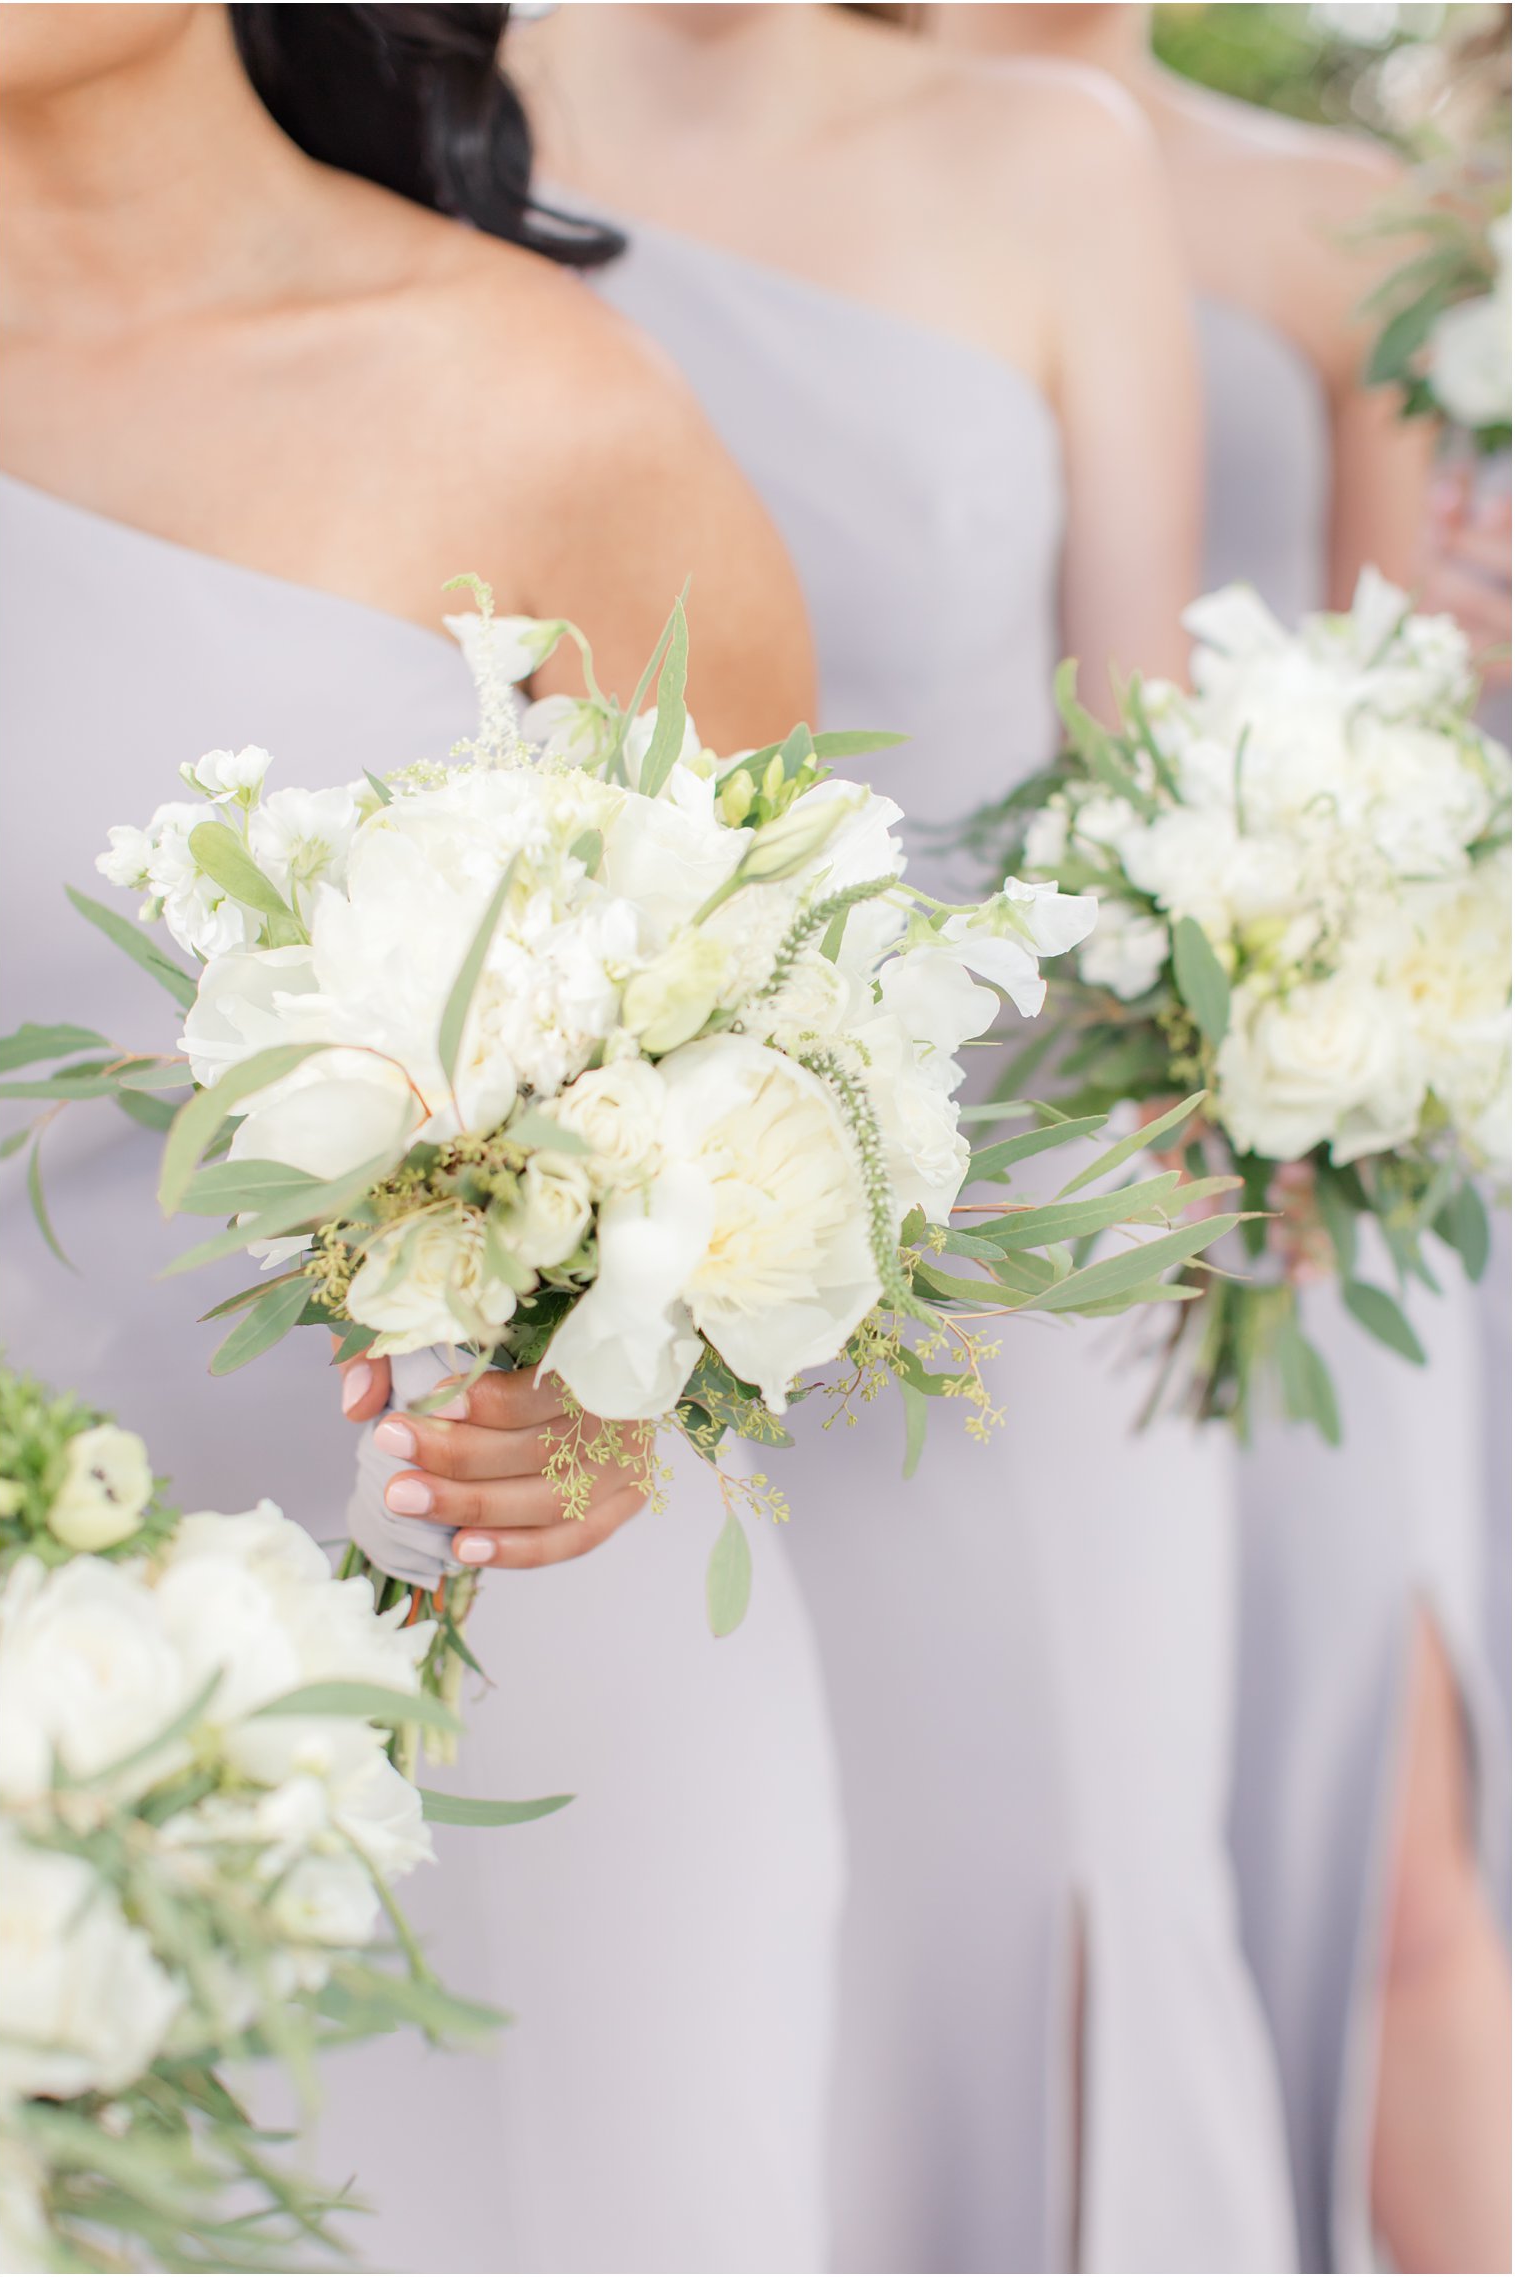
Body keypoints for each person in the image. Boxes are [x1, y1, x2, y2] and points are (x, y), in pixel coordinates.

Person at [0, 8, 846, 2270]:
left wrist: (628, 1393)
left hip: (512, 1675)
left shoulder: (533, 402)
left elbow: (818, 1086)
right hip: (43, 1729)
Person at [505, 8, 1298, 2270]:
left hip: (1024, 1231)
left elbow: (1134, 756)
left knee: (1068, 1879)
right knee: (731, 1931)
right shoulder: (431, 124)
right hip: (613, 1226)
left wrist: (1246, 1060)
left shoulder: (1051, 156)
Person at [930, 12, 1512, 2272]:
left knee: (1381, 1817)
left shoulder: (1338, 209)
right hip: (967, 1096)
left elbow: (1407, 701)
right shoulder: (747, 150)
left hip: (1277, 1104)